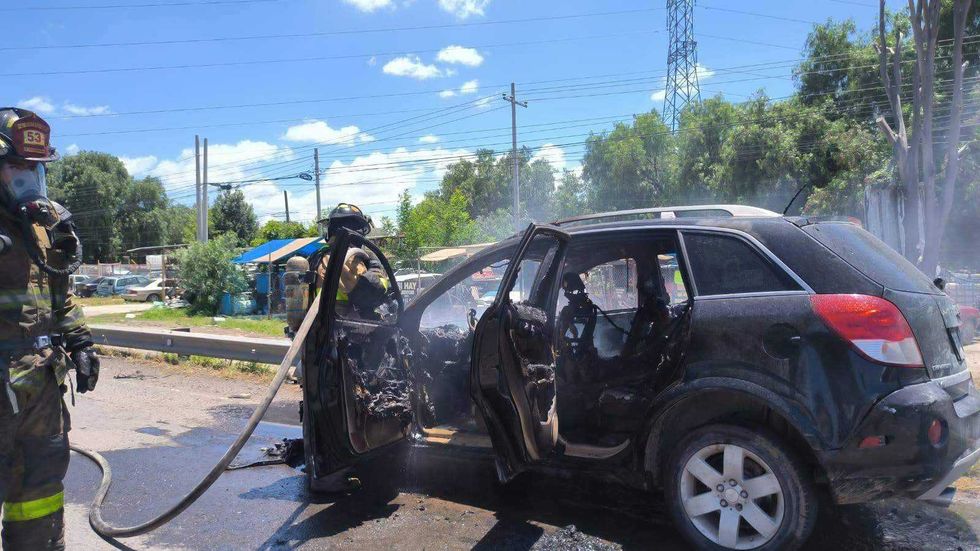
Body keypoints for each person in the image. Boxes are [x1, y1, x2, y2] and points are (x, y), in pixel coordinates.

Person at [0, 107, 98, 550]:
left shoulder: (40, 230)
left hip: (40, 385)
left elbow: (61, 293)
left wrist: (79, 341)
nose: (29, 178)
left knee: (38, 496)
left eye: (35, 168)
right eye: (17, 168)